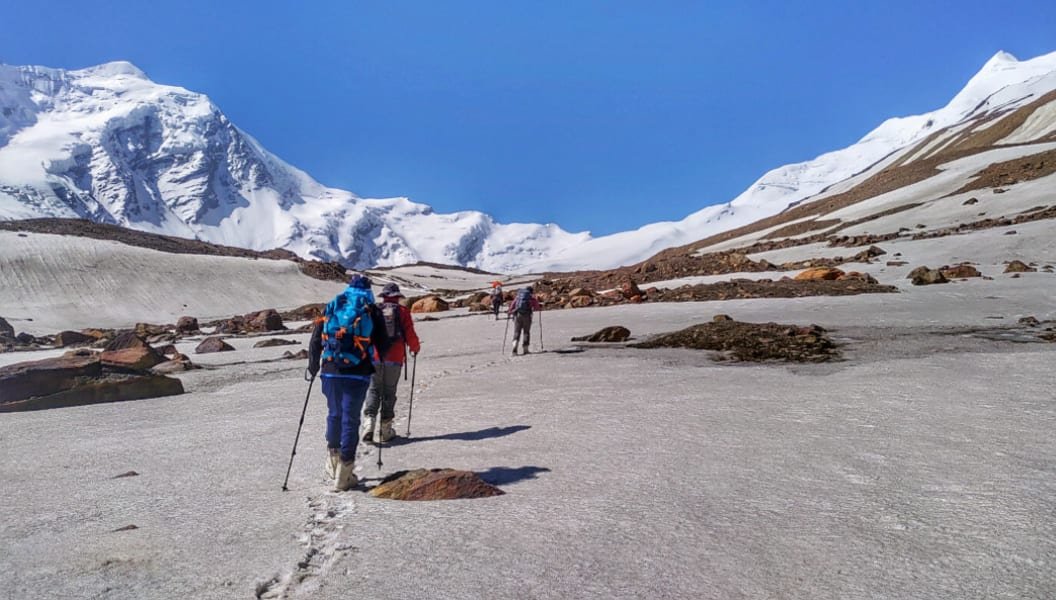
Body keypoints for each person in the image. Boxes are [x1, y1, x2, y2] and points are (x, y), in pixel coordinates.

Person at [308, 274, 390, 491]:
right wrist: (378, 359)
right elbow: (383, 343)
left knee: (334, 414)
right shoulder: (371, 310)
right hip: (358, 372)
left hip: (330, 370)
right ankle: (344, 473)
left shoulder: (333, 305)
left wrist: (313, 366)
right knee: (350, 419)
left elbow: (317, 337)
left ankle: (333, 462)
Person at [363, 283, 421, 443]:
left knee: (374, 390)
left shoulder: (375, 310)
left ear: (384, 295)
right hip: (395, 358)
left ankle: (369, 423)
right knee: (389, 391)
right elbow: (410, 333)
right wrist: (415, 348)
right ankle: (385, 430)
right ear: (397, 296)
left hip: (375, 356)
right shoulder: (402, 312)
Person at [507, 285, 542, 356]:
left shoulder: (518, 297)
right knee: (526, 332)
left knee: (517, 332)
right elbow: (537, 308)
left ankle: (514, 347)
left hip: (517, 315)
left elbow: (512, 305)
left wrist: (510, 311)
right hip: (527, 316)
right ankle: (525, 349)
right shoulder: (531, 298)